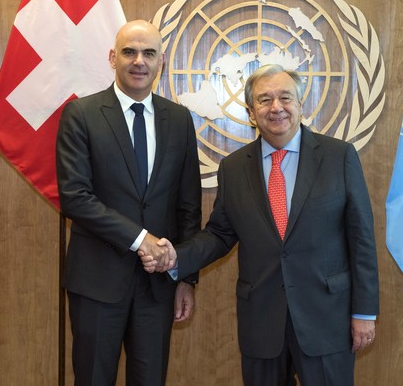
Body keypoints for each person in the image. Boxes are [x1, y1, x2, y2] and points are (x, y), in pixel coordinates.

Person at [143, 64, 379, 385]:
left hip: (327, 319)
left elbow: (361, 239)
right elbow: (219, 235)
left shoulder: (339, 157)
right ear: (252, 112)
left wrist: (363, 313)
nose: (276, 107)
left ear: (300, 104)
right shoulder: (234, 168)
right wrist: (176, 258)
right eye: (264, 100)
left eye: (285, 97)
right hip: (262, 323)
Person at [56, 20, 201, 385]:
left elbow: (188, 204)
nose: (139, 61)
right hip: (97, 284)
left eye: (149, 53)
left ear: (161, 62)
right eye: (129, 52)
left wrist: (186, 277)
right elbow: (76, 198)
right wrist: (141, 239)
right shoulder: (82, 115)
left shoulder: (180, 120)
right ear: (112, 58)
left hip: (158, 288)